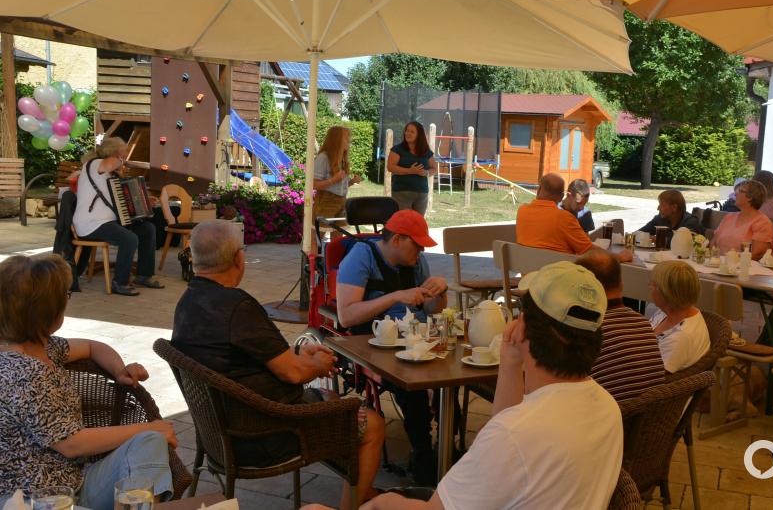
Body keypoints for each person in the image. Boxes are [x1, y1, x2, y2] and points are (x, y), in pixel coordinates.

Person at [358, 261, 623, 509]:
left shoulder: (515, 434)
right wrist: (510, 362)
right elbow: (507, 436)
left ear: (523, 329)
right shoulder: (608, 408)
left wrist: (384, 502)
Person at [171, 221, 384, 508]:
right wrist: (318, 365)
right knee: (372, 423)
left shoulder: (188, 301)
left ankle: (361, 486)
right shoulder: (237, 306)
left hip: (221, 432)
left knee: (332, 400)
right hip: (264, 436)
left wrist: (299, 356)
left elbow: (257, 358)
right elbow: (293, 373)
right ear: (238, 258)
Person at [0, 254, 175, 510]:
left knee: (149, 442)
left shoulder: (44, 347)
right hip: (34, 500)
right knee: (150, 435)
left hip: (75, 483)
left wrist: (119, 371)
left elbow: (93, 347)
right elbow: (72, 444)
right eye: (65, 296)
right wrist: (151, 427)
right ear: (47, 311)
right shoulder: (22, 371)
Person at [335, 210, 446, 484]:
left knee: (450, 379)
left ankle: (446, 444)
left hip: (417, 338)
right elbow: (346, 316)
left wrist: (440, 293)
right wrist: (395, 296)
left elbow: (431, 311)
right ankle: (423, 455)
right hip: (376, 342)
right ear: (397, 239)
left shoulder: (415, 262)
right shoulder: (361, 256)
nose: (421, 251)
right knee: (412, 385)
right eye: (417, 245)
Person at [73, 137, 163, 296]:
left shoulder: (110, 175)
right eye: (123, 153)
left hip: (108, 222)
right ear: (114, 153)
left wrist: (146, 202)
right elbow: (111, 163)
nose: (125, 156)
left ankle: (144, 275)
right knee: (129, 239)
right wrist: (123, 161)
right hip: (91, 223)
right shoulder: (93, 164)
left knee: (147, 229)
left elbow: (122, 201)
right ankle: (119, 283)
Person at [576, 251, 665, 400]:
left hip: (612, 412)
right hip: (653, 411)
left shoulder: (589, 331)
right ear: (621, 285)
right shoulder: (642, 322)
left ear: (586, 288)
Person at [517, 174, 633, 262]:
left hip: (528, 279)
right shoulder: (564, 217)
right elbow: (589, 251)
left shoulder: (522, 211)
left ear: (538, 190)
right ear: (562, 196)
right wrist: (619, 257)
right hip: (558, 280)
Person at [648, 261, 710, 373]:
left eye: (653, 285)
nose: (650, 288)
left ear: (666, 293)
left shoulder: (679, 338)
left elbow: (656, 377)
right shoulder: (669, 311)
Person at [710, 180, 773, 260]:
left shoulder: (762, 222)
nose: (735, 194)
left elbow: (757, 254)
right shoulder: (729, 217)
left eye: (740, 191)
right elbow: (713, 244)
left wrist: (730, 262)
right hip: (719, 263)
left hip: (745, 266)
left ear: (750, 197)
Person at [313, 125, 361, 228]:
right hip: (326, 202)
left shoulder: (342, 160)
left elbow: (339, 186)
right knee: (319, 233)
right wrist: (333, 180)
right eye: (346, 138)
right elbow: (314, 184)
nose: (349, 141)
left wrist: (352, 181)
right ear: (336, 140)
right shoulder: (323, 157)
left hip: (341, 202)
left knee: (339, 233)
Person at [388, 121, 435, 215]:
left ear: (419, 135)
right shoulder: (397, 149)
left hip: (421, 193)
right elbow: (390, 167)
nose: (408, 133)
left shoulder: (426, 151)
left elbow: (434, 169)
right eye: (407, 131)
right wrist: (410, 171)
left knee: (418, 221)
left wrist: (426, 172)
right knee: (404, 221)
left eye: (412, 131)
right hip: (401, 193)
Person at [637, 189, 705, 243]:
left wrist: (658, 239)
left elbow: (683, 244)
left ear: (674, 207)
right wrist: (645, 237)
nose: (658, 208)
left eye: (662, 205)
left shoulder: (690, 222)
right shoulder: (660, 218)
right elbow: (638, 233)